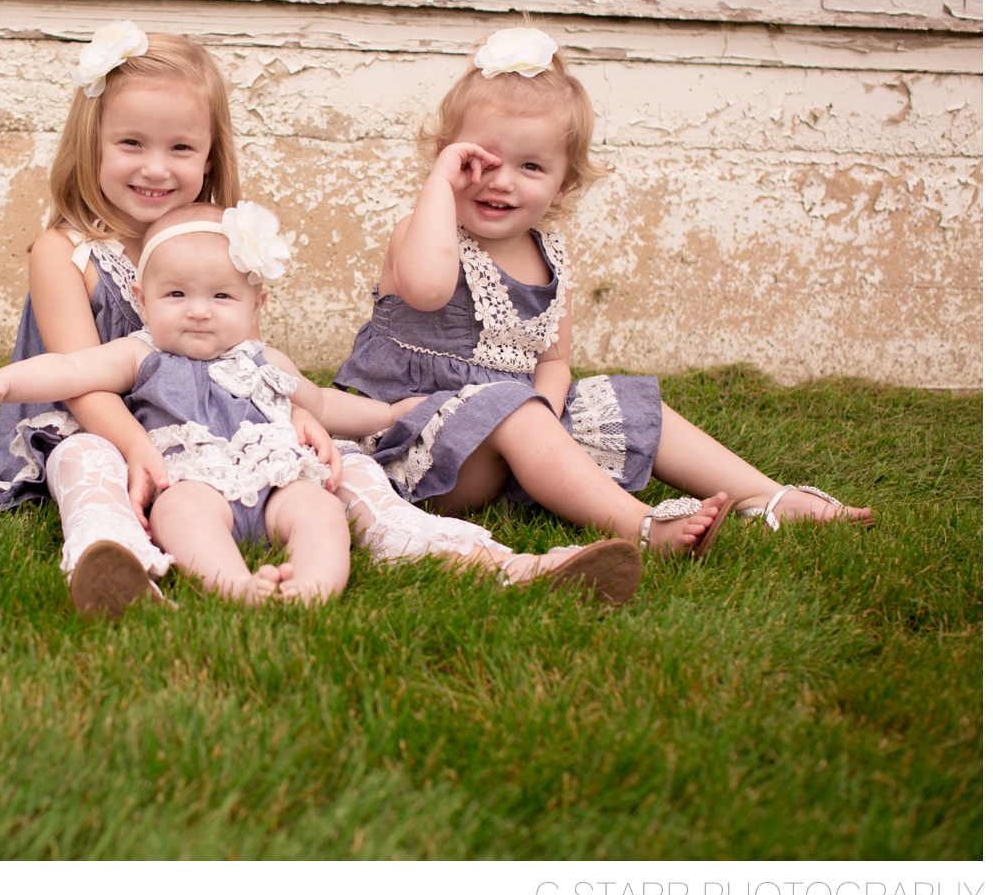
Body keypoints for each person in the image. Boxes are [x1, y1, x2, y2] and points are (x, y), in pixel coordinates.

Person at [0, 21, 639, 614]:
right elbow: (79, 379)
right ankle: (115, 562)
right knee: (87, 461)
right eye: (131, 144)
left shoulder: (218, 236)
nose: (156, 168)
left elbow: (248, 361)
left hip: (222, 429)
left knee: (343, 465)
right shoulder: (64, 250)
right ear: (91, 145)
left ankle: (491, 560)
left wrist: (302, 416)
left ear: (209, 156)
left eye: (180, 148)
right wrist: (137, 450)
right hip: (101, 421)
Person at [333, 27, 874, 554]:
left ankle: (767, 496)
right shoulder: (422, 232)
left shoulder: (550, 256)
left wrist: (547, 412)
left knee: (624, 402)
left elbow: (554, 361)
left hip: (518, 436)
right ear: (448, 156)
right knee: (512, 407)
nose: (501, 180)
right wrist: (439, 184)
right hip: (419, 445)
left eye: (531, 166)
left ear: (563, 183)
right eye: (481, 161)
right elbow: (428, 291)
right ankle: (642, 526)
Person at [0, 203, 640, 606]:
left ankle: (318, 588)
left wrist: (393, 415)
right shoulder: (140, 353)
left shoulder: (268, 361)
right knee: (182, 515)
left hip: (281, 481)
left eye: (221, 297)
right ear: (142, 299)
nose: (198, 312)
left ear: (257, 304)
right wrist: (5, 383)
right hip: (190, 480)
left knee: (322, 512)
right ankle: (234, 585)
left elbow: (324, 405)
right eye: (176, 296)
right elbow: (71, 368)